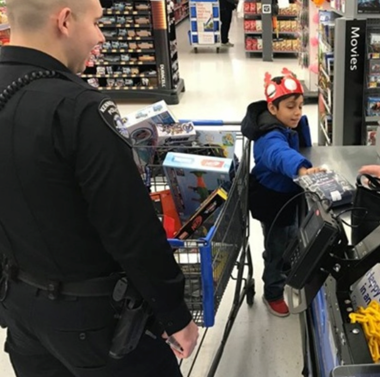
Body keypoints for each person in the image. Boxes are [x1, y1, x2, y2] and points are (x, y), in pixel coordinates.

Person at [0, 0, 198, 376]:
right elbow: (131, 228)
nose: (100, 36)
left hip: (20, 310)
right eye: (96, 22)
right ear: (65, 21)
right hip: (97, 324)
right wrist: (175, 314)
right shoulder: (79, 109)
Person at [241, 68, 325, 317]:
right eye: (290, 107)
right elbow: (280, 155)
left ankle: (287, 267)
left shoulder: (289, 124)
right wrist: (301, 167)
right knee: (278, 246)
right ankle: (273, 292)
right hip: (273, 201)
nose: (298, 112)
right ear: (273, 108)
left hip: (290, 194)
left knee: (290, 238)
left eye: (300, 105)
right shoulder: (269, 137)